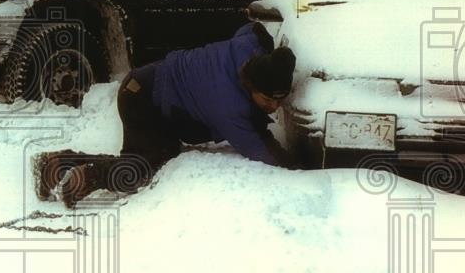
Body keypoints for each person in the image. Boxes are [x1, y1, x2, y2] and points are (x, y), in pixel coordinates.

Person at [33, 22, 299, 207]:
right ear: (252, 86)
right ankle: (87, 178)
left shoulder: (248, 50)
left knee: (161, 153)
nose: (274, 107)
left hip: (150, 87)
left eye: (280, 100)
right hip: (143, 99)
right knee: (142, 168)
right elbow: (261, 150)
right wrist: (301, 169)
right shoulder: (230, 106)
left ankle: (58, 162)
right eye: (267, 100)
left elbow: (251, 29)